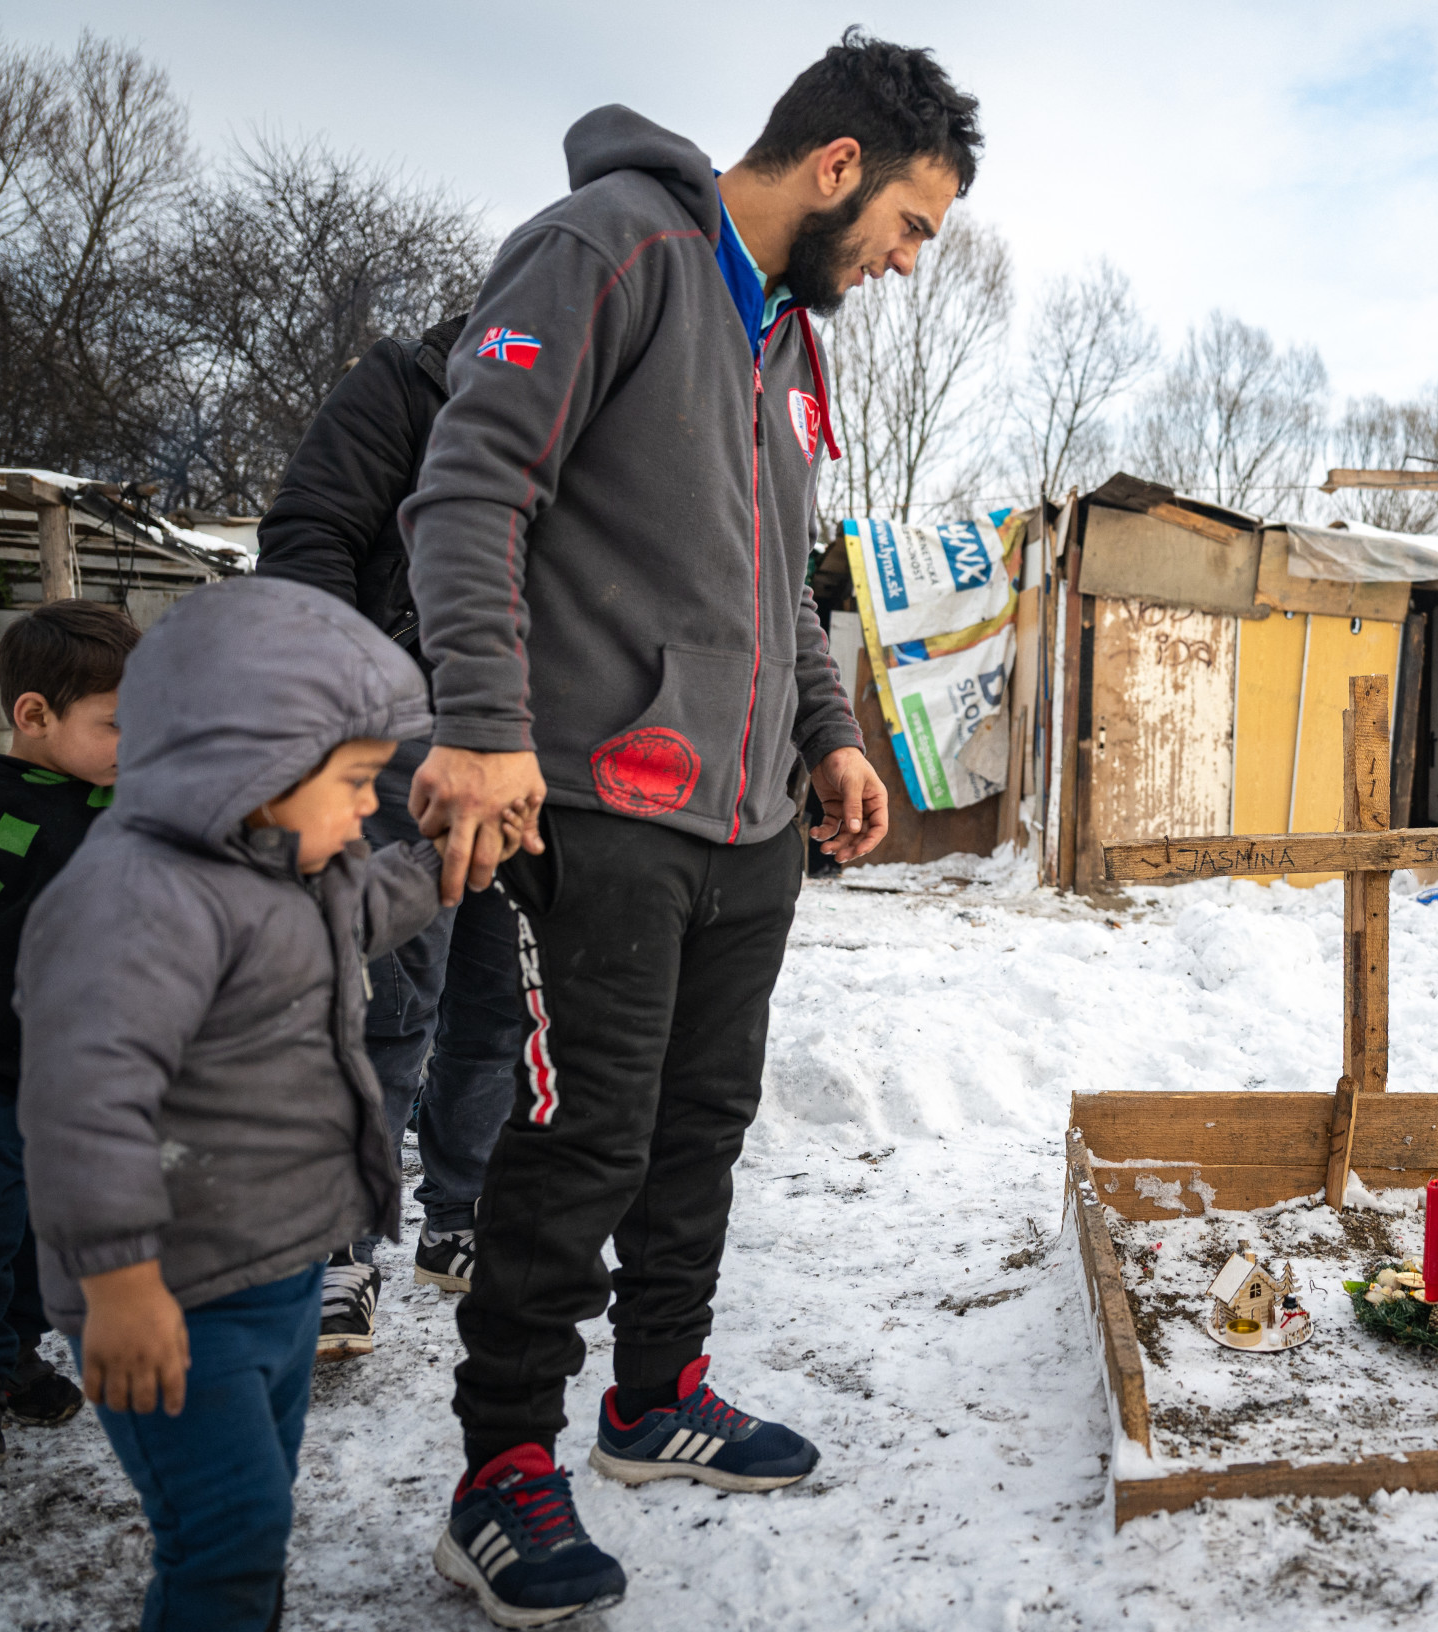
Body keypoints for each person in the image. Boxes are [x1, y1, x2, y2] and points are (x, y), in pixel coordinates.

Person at [399, 31, 971, 1623]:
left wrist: (829, 737)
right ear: (839, 166)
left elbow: (781, 585)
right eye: (910, 224)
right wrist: (484, 727)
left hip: (747, 825)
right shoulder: (612, 248)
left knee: (699, 1128)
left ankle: (655, 1397)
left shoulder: (788, 345)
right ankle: (503, 1472)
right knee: (581, 1136)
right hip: (598, 801)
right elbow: (470, 490)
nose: (907, 261)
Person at [12, 577, 493, 1629]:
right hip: (172, 1292)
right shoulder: (132, 901)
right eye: (355, 780)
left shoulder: (290, 869)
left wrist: (449, 855)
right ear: (254, 764)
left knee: (257, 1518)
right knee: (222, 1536)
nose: (367, 804)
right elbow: (83, 1108)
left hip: (281, 1268)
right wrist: (119, 1285)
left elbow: (373, 903)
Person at [256, 309, 523, 1361]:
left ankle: (460, 1214)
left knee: (500, 998)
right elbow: (310, 529)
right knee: (384, 994)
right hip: (398, 728)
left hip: (529, 743)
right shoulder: (411, 382)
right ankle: (337, 1245)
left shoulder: (604, 402)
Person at [0, 600, 132, 1483]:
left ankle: (8, 1351)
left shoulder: (127, 812)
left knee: (46, 1238)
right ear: (34, 715)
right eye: (117, 724)